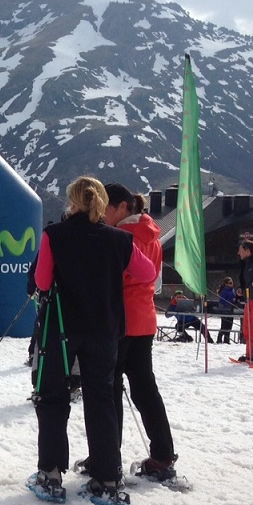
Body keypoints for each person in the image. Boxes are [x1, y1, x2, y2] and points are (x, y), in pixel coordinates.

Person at [29, 176, 154, 505]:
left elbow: (42, 281)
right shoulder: (118, 239)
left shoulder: (54, 235)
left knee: (53, 396)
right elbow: (148, 274)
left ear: (72, 202)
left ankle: (51, 474)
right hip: (105, 330)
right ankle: (108, 478)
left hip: (62, 328)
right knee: (102, 399)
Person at [98, 183, 179, 482]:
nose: (102, 213)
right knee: (145, 389)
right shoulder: (152, 233)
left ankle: (107, 457)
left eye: (106, 207)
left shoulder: (121, 237)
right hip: (144, 319)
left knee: (110, 390)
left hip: (120, 320)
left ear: (122, 207)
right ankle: (162, 454)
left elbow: (111, 278)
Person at [216, 277, 238, 344]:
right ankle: (219, 339)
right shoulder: (224, 291)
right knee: (224, 326)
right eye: (230, 283)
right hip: (225, 310)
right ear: (226, 284)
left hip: (231, 310)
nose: (232, 284)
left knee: (229, 326)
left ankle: (226, 340)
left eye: (232, 282)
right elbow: (222, 301)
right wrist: (228, 303)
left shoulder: (233, 290)